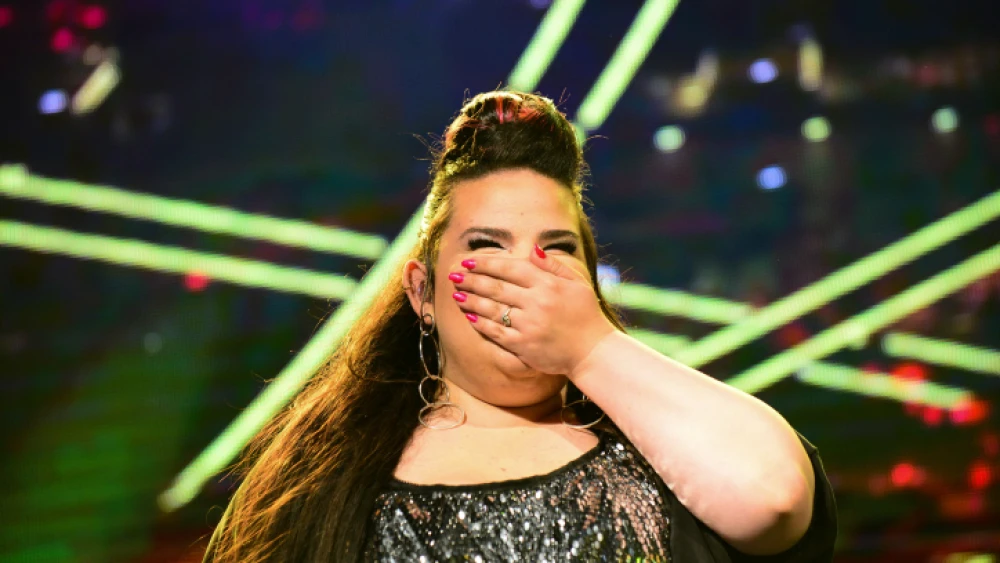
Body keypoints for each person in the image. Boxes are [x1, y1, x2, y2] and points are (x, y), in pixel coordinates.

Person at [202, 90, 837, 562]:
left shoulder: (663, 459)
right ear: (423, 292)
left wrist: (590, 348)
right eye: (488, 245)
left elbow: (773, 499)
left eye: (557, 249)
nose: (524, 276)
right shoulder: (319, 490)